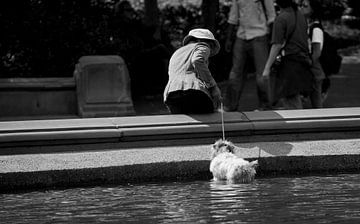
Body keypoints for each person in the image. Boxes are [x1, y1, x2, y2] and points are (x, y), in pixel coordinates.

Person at [223, 0, 276, 111]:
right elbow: (233, 16)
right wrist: (228, 39)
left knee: (262, 74)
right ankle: (230, 106)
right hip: (242, 35)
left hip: (259, 34)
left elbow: (271, 16)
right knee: (235, 73)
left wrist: (273, 39)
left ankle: (265, 106)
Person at [262, 0, 313, 109]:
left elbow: (277, 44)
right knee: (295, 99)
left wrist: (267, 68)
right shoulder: (300, 15)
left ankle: (298, 125)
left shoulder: (281, 18)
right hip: (303, 62)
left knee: (291, 101)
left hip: (290, 64)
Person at [163, 28, 222, 114]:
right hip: (193, 90)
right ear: (201, 40)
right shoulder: (202, 46)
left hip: (171, 94)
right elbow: (197, 60)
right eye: (211, 45)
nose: (210, 50)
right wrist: (213, 87)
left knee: (184, 123)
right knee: (209, 117)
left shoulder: (177, 53)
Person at [300, 0, 325, 108]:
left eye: (305, 6)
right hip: (309, 69)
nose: (301, 8)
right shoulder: (307, 26)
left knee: (316, 102)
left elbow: (316, 52)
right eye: (301, 5)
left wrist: (308, 63)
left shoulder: (315, 29)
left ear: (312, 9)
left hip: (313, 70)